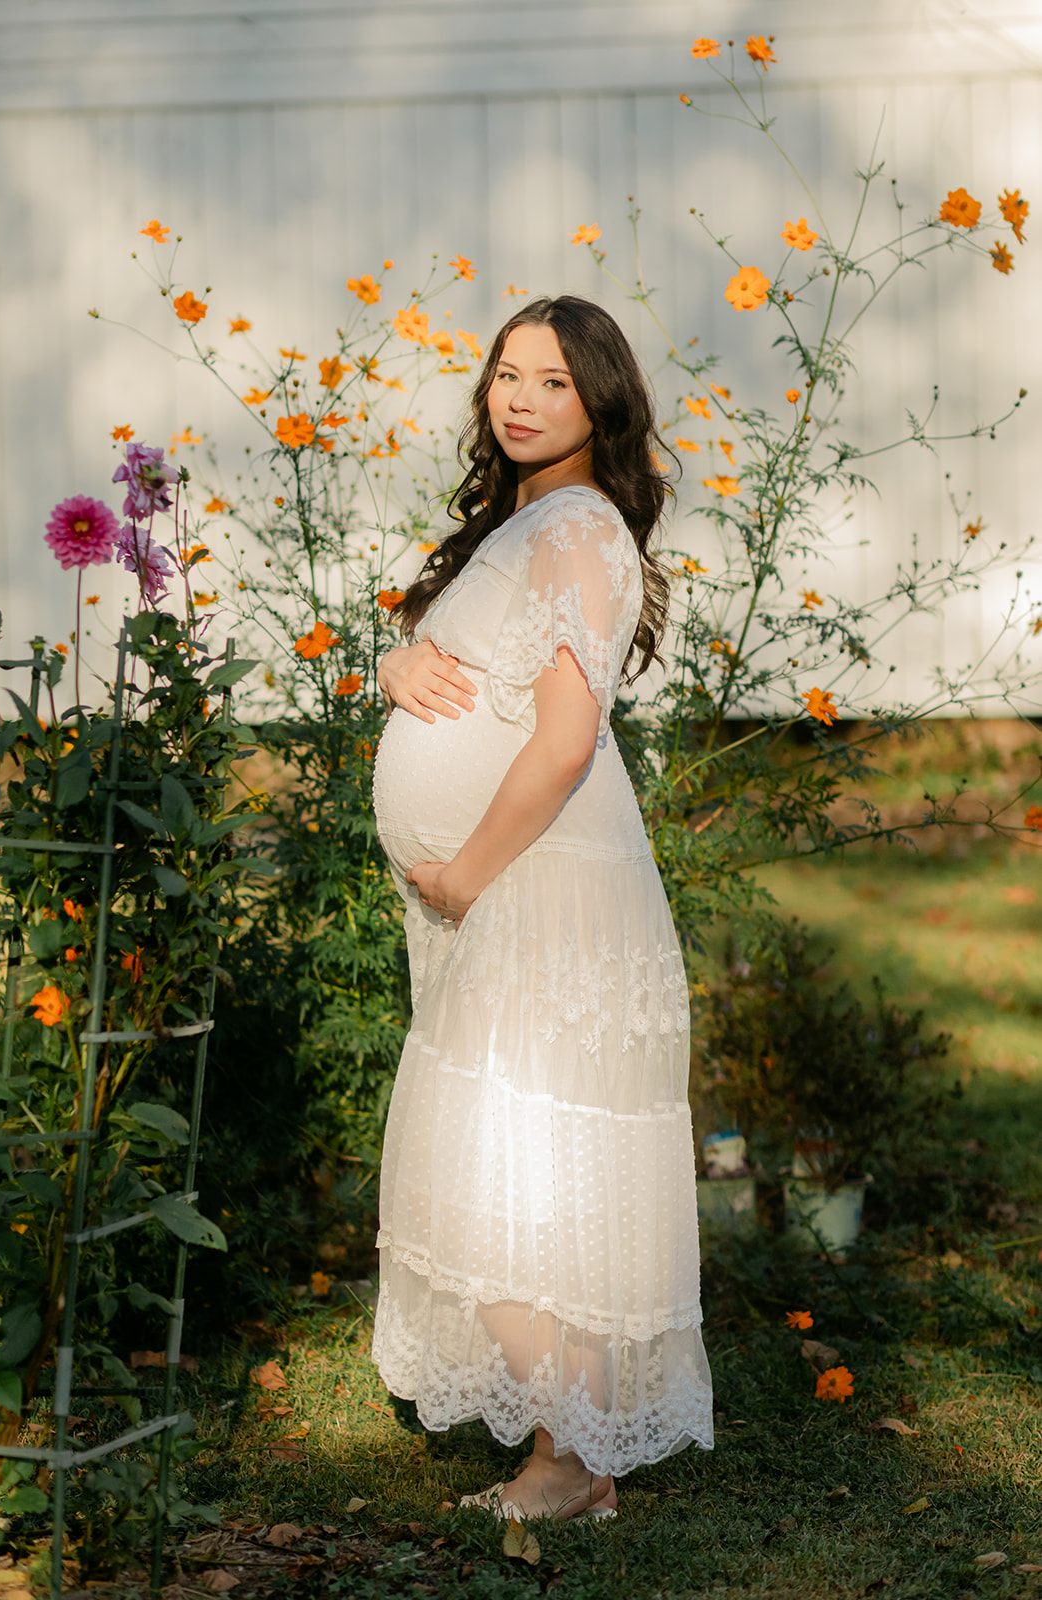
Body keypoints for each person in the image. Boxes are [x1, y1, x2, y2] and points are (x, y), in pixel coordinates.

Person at [371, 294, 713, 1522]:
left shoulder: (578, 527)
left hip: (531, 885)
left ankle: (571, 1461)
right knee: (508, 1162)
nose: (518, 398)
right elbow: (479, 668)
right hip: (513, 890)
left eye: (551, 382)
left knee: (492, 1164)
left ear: (599, 401)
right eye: (505, 376)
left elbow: (564, 741)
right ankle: (567, 1451)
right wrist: (395, 658)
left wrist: (461, 870)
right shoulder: (526, 516)